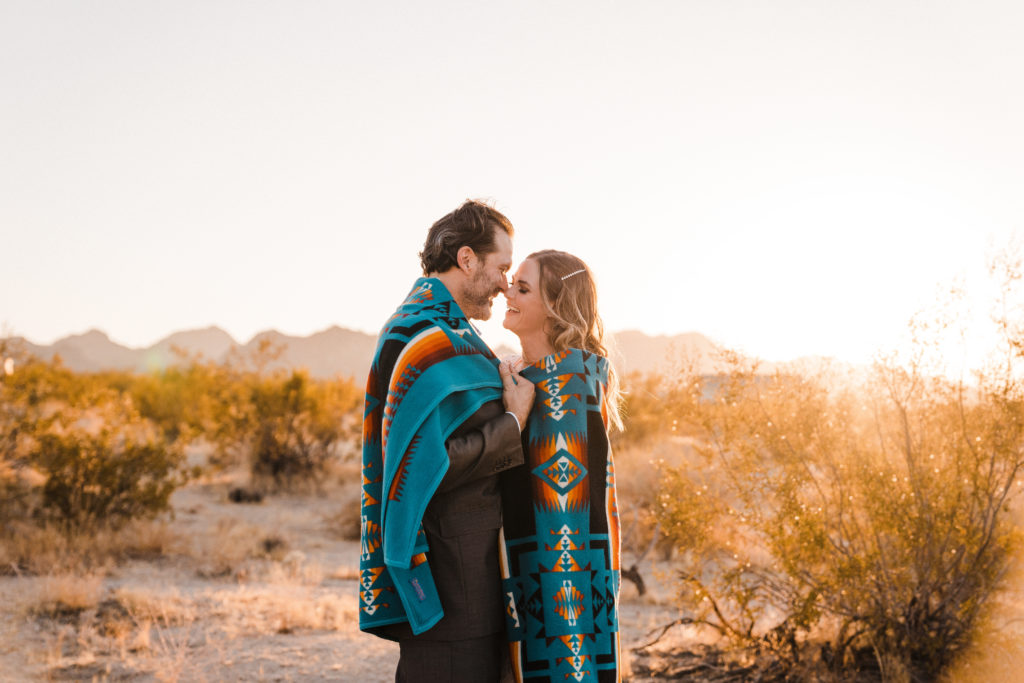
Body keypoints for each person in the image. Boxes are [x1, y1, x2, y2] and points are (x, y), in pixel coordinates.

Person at [358, 200, 536, 682]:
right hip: (453, 583)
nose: (505, 283)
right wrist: (513, 423)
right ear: (466, 259)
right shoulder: (421, 333)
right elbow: (424, 465)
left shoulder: (449, 331)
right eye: (501, 267)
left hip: (471, 576)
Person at [499, 250, 623, 682]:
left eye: (522, 288)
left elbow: (565, 537)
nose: (506, 291)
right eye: (511, 281)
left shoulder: (567, 388)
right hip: (529, 591)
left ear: (555, 308)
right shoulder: (530, 379)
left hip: (558, 606)